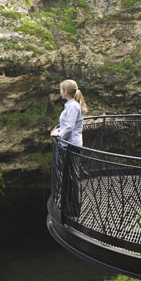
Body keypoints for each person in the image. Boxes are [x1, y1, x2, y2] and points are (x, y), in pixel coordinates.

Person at [50, 79, 87, 217]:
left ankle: (74, 210)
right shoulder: (71, 105)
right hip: (70, 144)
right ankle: (70, 207)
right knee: (69, 176)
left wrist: (59, 137)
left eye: (61, 90)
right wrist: (59, 131)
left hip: (71, 145)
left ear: (65, 91)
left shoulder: (72, 106)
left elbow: (70, 128)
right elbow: (67, 126)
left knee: (72, 177)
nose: (60, 92)